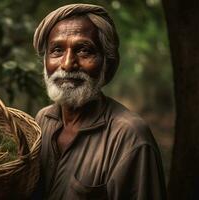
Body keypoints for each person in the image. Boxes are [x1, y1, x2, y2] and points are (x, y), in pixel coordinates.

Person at [33, 4, 167, 200]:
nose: (68, 64)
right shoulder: (42, 120)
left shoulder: (130, 136)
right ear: (45, 61)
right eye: (57, 50)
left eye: (84, 50)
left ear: (107, 62)